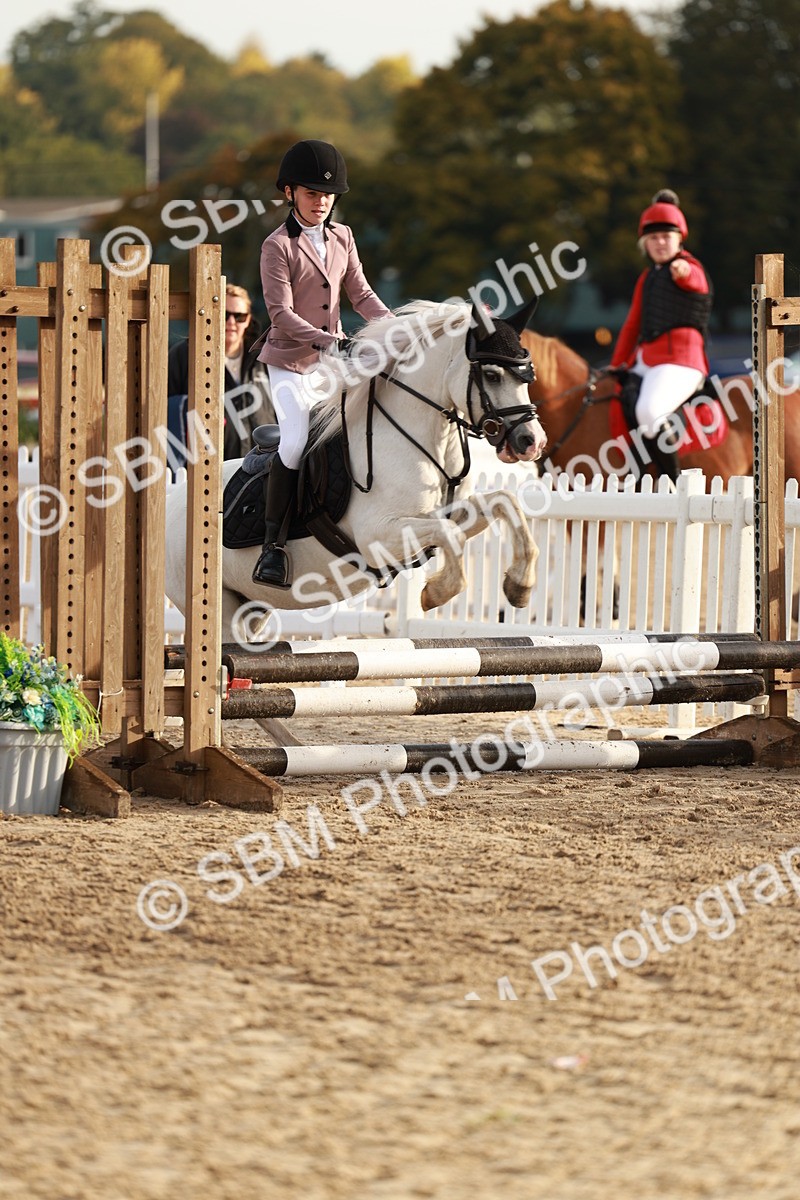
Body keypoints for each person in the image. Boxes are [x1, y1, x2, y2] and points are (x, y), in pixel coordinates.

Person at [251, 138, 392, 589]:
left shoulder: (343, 237)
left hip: (332, 360)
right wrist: (329, 341)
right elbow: (281, 315)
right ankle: (272, 547)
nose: (322, 202)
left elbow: (362, 294)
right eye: (312, 193)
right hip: (290, 362)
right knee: (295, 443)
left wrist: (398, 327)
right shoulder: (277, 246)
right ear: (290, 193)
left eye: (328, 195)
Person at [610, 189, 713, 480]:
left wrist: (682, 271)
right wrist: (616, 365)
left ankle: (673, 479)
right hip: (648, 360)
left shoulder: (690, 267)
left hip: (681, 362)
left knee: (650, 410)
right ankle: (635, 470)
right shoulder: (647, 277)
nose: (659, 242)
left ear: (680, 238)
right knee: (609, 396)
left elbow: (695, 281)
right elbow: (632, 326)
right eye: (653, 238)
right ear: (645, 243)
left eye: (666, 236)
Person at [167, 282, 275, 465]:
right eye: (224, 315)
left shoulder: (265, 356)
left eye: (239, 316)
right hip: (204, 470)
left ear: (248, 320)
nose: (231, 322)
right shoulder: (184, 355)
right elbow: (165, 409)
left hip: (261, 464)